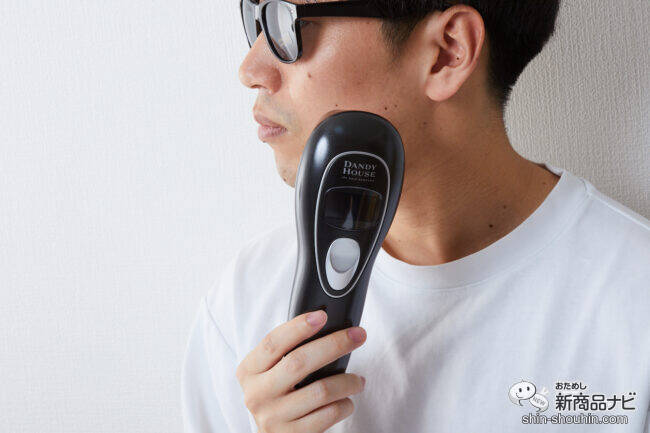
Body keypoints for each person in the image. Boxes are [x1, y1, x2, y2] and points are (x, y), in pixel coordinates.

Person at [182, 0, 650, 431]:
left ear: (447, 52)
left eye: (286, 23)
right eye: (254, 18)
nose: (250, 70)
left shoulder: (634, 303)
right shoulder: (245, 301)